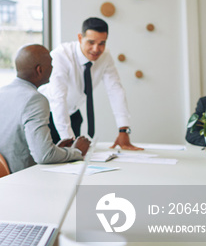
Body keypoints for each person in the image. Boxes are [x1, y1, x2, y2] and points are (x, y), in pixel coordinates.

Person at [39, 17, 143, 151]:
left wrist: (123, 129)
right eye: (91, 42)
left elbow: (115, 90)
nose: (96, 49)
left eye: (102, 43)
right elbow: (58, 99)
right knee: (52, 163)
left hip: (72, 114)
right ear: (80, 37)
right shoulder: (62, 55)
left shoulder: (105, 56)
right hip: (48, 114)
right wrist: (69, 141)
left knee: (74, 163)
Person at [0, 45, 91, 173]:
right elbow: (43, 156)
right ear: (39, 70)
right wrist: (76, 151)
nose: (53, 68)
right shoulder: (35, 99)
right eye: (51, 64)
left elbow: (27, 146)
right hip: (22, 177)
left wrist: (58, 150)